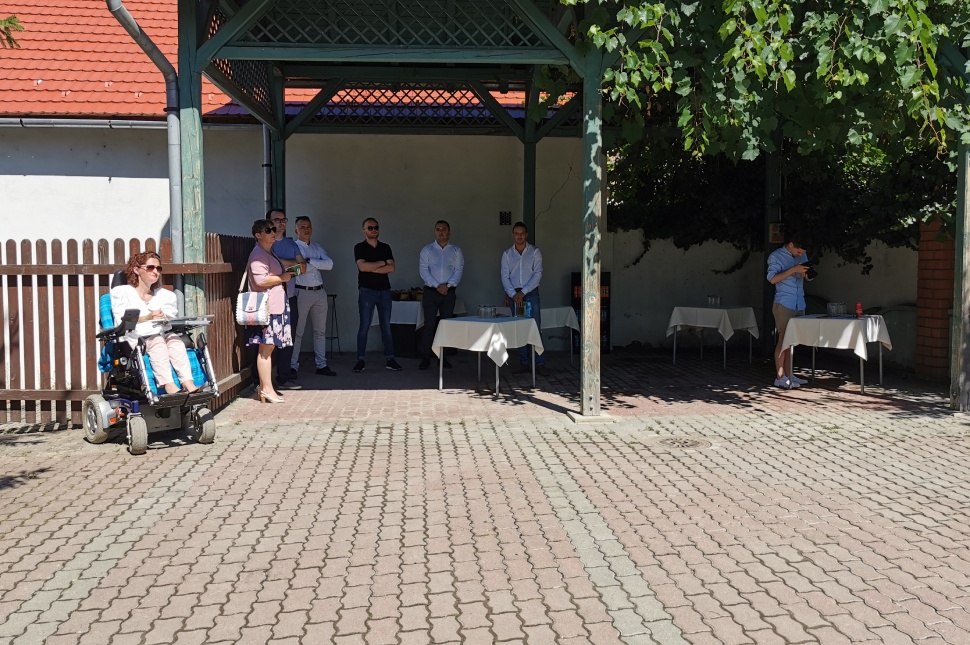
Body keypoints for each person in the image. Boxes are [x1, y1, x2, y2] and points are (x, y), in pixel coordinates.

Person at [111, 251, 199, 395]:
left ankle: (188, 383)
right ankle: (168, 385)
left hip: (160, 333)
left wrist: (164, 316)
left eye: (158, 268)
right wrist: (148, 317)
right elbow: (122, 321)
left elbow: (170, 319)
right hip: (135, 338)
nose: (155, 271)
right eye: (150, 267)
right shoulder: (123, 293)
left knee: (175, 340)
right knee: (157, 341)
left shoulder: (165, 295)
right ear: (136, 269)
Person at [245, 218, 296, 404]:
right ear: (258, 235)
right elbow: (261, 281)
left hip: (275, 307)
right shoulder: (258, 255)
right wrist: (282, 277)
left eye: (273, 229)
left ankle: (266, 388)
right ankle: (266, 389)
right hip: (267, 309)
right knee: (265, 349)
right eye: (268, 230)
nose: (273, 232)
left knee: (269, 347)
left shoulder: (269, 252)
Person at [353, 217, 403, 373]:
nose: (373, 230)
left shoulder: (385, 247)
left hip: (384, 291)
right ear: (364, 231)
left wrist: (371, 267)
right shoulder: (359, 247)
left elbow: (392, 268)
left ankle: (390, 358)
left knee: (386, 326)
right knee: (364, 325)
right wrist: (382, 263)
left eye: (376, 227)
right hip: (367, 291)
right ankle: (360, 360)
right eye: (370, 228)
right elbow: (362, 267)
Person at [501, 221, 548, 376]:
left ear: (526, 235)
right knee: (520, 328)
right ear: (513, 235)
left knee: (535, 327)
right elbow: (505, 276)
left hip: (531, 293)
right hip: (515, 296)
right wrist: (513, 294)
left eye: (522, 233)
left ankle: (540, 363)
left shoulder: (534, 252)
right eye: (517, 233)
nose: (519, 236)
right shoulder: (507, 254)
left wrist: (524, 292)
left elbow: (538, 274)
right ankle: (524, 362)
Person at [291, 215, 336, 376]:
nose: (306, 229)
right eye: (302, 227)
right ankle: (293, 366)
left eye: (308, 226)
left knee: (320, 331)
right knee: (298, 331)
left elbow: (329, 264)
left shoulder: (317, 247)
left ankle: (321, 365)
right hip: (302, 291)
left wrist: (309, 261)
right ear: (296, 230)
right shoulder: (294, 247)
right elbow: (297, 270)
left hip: (319, 292)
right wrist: (315, 264)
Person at [767, 235, 812, 389]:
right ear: (791, 244)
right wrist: (794, 269)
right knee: (783, 339)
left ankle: (789, 374)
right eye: (799, 252)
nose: (801, 255)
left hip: (799, 302)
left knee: (792, 341)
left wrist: (807, 274)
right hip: (784, 303)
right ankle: (780, 377)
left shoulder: (802, 254)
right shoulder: (776, 256)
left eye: (803, 253)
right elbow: (772, 279)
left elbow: (807, 276)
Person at [418, 220, 464, 370]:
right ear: (434, 232)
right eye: (438, 229)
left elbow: (458, 271)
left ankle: (443, 358)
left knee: (445, 326)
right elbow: (424, 271)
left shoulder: (456, 250)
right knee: (429, 325)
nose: (441, 232)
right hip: (431, 292)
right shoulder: (427, 250)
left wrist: (447, 286)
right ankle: (425, 357)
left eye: (444, 229)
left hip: (448, 292)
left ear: (449, 232)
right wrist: (437, 286)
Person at [268, 209, 305, 390]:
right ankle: (260, 381)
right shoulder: (266, 243)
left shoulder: (291, 244)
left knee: (288, 339)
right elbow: (269, 266)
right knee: (267, 340)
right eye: (277, 220)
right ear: (269, 222)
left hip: (290, 298)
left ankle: (284, 378)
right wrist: (290, 265)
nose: (281, 223)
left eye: (284, 220)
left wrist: (283, 266)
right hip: (270, 299)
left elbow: (303, 267)